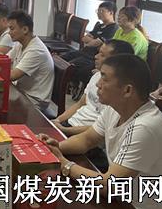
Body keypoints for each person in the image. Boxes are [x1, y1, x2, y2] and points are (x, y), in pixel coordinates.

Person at [38, 54, 162, 209]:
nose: (98, 84)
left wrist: (64, 164)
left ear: (127, 90)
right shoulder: (115, 109)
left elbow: (110, 186)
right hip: (121, 199)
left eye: (104, 79)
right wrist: (55, 147)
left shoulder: (145, 127)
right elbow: (86, 140)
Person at [53, 39, 134, 171]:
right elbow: (81, 105)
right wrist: (58, 123)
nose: (96, 56)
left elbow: (110, 182)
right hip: (71, 128)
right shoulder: (97, 77)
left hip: (87, 142)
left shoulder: (119, 99)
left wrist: (65, 163)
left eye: (102, 55)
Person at [62, 2, 119, 99]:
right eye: (98, 11)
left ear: (111, 13)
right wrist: (93, 41)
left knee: (71, 65)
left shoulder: (113, 28)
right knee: (62, 59)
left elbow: (94, 43)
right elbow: (84, 38)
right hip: (84, 51)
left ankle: (75, 86)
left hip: (92, 56)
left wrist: (92, 41)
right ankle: (71, 84)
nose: (99, 13)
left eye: (102, 11)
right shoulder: (99, 25)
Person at [7, 10, 54, 110]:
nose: (9, 32)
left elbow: (13, 76)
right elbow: (5, 60)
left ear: (25, 29)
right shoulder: (20, 43)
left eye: (12, 29)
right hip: (21, 91)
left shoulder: (36, 50)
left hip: (33, 100)